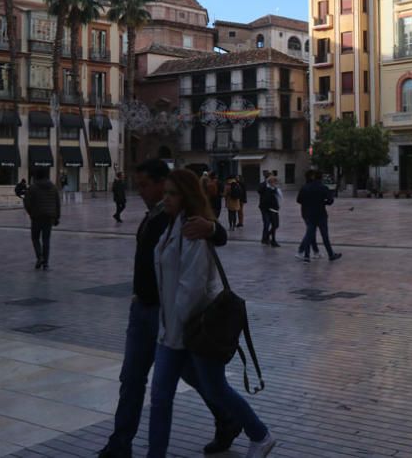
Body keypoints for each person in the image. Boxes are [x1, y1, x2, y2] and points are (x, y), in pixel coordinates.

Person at [98, 160, 235, 458]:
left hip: (169, 314)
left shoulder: (176, 217)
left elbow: (219, 235)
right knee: (131, 379)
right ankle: (120, 444)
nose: (140, 191)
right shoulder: (152, 217)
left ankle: (228, 417)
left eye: (145, 185)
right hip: (142, 310)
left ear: (163, 184)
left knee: (194, 376)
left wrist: (212, 227)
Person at [147, 169, 275, 458]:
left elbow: (191, 288)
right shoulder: (170, 224)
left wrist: (175, 326)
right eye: (165, 192)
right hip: (173, 330)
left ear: (187, 197)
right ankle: (249, 431)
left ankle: (260, 434)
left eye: (172, 193)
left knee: (214, 389)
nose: (166, 198)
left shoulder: (192, 231)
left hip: (193, 330)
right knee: (167, 396)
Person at [296, 170, 341, 262]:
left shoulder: (304, 187)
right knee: (325, 236)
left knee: (309, 235)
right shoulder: (323, 187)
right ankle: (330, 254)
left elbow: (299, 200)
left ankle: (307, 255)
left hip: (308, 214)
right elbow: (330, 201)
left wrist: (308, 203)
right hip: (320, 214)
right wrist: (323, 202)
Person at [23, 167, 60, 270]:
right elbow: (57, 203)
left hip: (37, 217)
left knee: (35, 238)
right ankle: (46, 264)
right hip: (49, 217)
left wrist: (31, 213)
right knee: (46, 240)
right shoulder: (53, 187)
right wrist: (57, 217)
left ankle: (40, 257)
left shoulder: (32, 188)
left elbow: (26, 202)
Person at [259, 175, 282, 247]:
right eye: (273, 182)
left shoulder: (276, 189)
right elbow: (265, 198)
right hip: (268, 209)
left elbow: (280, 198)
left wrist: (278, 206)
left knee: (276, 225)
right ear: (270, 182)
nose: (275, 183)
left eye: (275, 182)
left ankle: (267, 236)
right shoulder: (266, 189)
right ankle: (272, 240)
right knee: (270, 224)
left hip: (275, 209)